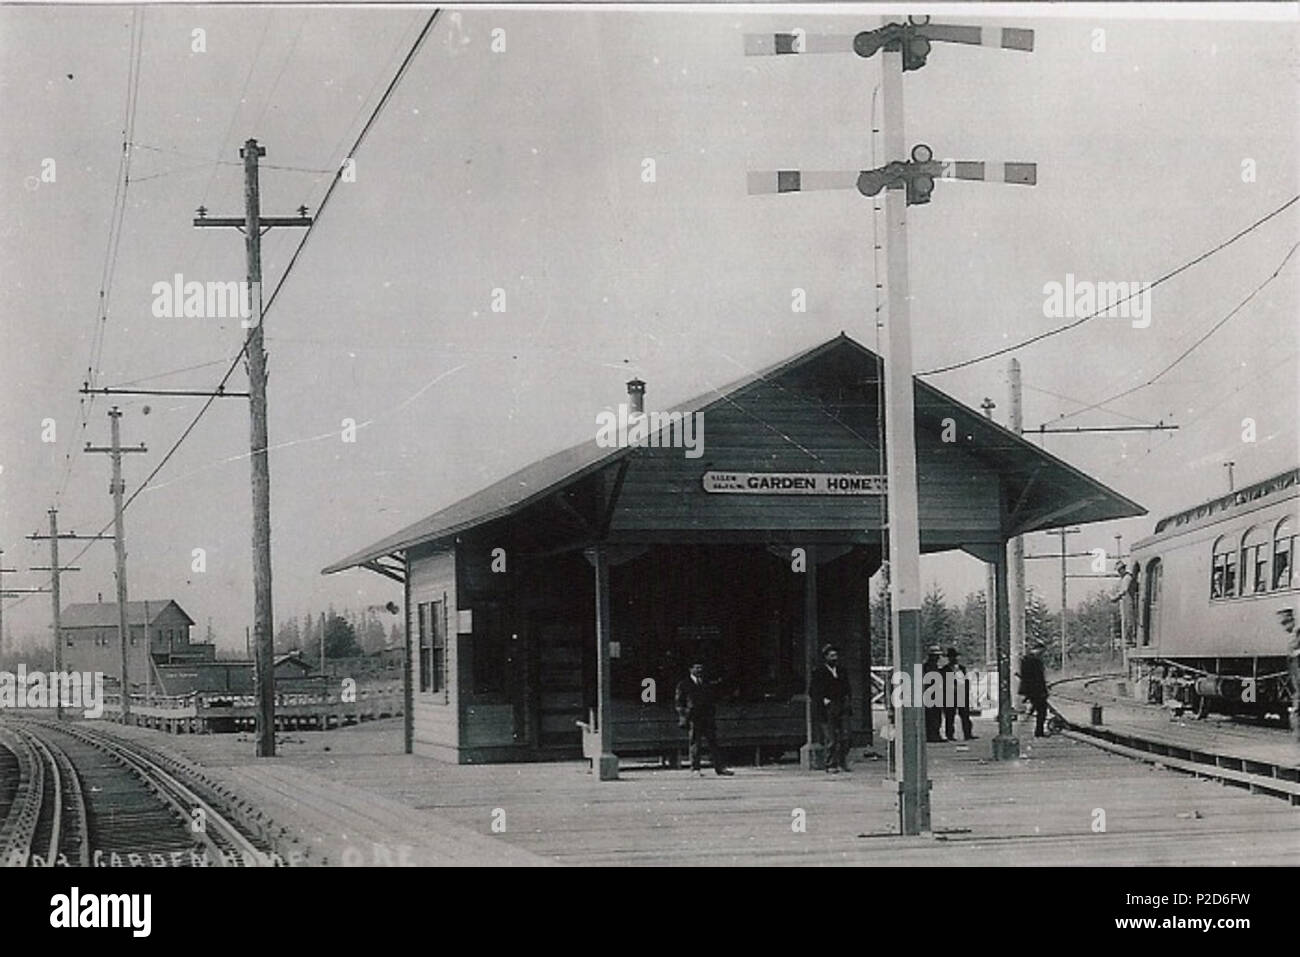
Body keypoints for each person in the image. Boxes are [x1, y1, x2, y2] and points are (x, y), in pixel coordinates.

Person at [674, 662, 733, 776]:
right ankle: (695, 768)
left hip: (708, 717)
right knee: (695, 743)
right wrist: (686, 715)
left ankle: (719, 768)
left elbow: (713, 698)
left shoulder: (706, 683)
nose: (699, 670)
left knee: (713, 743)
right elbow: (679, 702)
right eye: (696, 667)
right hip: (694, 718)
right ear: (690, 669)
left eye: (701, 667)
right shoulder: (684, 684)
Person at [810, 643, 853, 772]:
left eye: (836, 655)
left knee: (846, 736)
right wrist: (824, 700)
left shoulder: (841, 671)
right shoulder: (819, 672)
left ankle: (842, 762)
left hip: (842, 706)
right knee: (831, 738)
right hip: (827, 708)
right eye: (832, 655)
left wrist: (847, 700)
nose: (835, 658)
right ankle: (830, 764)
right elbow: (813, 691)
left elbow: (847, 687)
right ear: (826, 657)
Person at [940, 647, 976, 741]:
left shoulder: (961, 668)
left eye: (954, 657)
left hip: (961, 695)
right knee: (950, 716)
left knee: (965, 715)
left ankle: (968, 733)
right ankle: (950, 735)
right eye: (952, 657)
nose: (954, 659)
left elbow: (966, 681)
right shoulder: (945, 670)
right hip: (950, 695)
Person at [1017, 642, 1050, 737]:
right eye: (1042, 651)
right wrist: (1043, 691)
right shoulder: (1035, 661)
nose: (1043, 654)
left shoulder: (1026, 659)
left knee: (1038, 708)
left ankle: (1034, 727)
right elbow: (1039, 678)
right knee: (1042, 710)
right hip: (1036, 690)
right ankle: (1039, 731)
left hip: (1030, 689)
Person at [1110, 561, 1138, 648]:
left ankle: (1131, 639)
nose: (1119, 572)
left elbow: (1124, 591)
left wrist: (1116, 597)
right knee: (1126, 620)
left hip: (1129, 599)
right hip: (1125, 601)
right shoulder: (1123, 579)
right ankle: (1128, 638)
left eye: (1119, 570)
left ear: (1122, 569)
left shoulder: (1127, 578)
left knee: (1129, 620)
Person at [923, 645, 945, 742]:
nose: (937, 658)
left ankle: (935, 734)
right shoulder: (926, 667)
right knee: (930, 716)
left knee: (937, 716)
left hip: (936, 694)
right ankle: (931, 735)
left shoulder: (936, 667)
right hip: (929, 694)